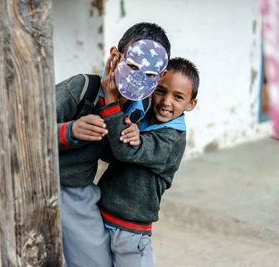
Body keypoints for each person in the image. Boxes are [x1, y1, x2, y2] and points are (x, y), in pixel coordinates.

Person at [55, 22, 171, 267]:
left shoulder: (141, 109)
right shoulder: (81, 88)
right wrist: (70, 130)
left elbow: (111, 155)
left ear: (161, 76)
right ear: (115, 56)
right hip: (38, 183)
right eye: (131, 66)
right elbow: (22, 128)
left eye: (150, 75)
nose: (138, 78)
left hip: (78, 191)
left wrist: (129, 136)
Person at [98, 57, 199, 267]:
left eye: (178, 97)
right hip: (101, 213)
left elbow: (126, 151)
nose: (166, 102)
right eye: (161, 91)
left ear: (191, 104)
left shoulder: (172, 138)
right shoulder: (139, 115)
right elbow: (109, 152)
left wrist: (110, 103)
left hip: (131, 229)